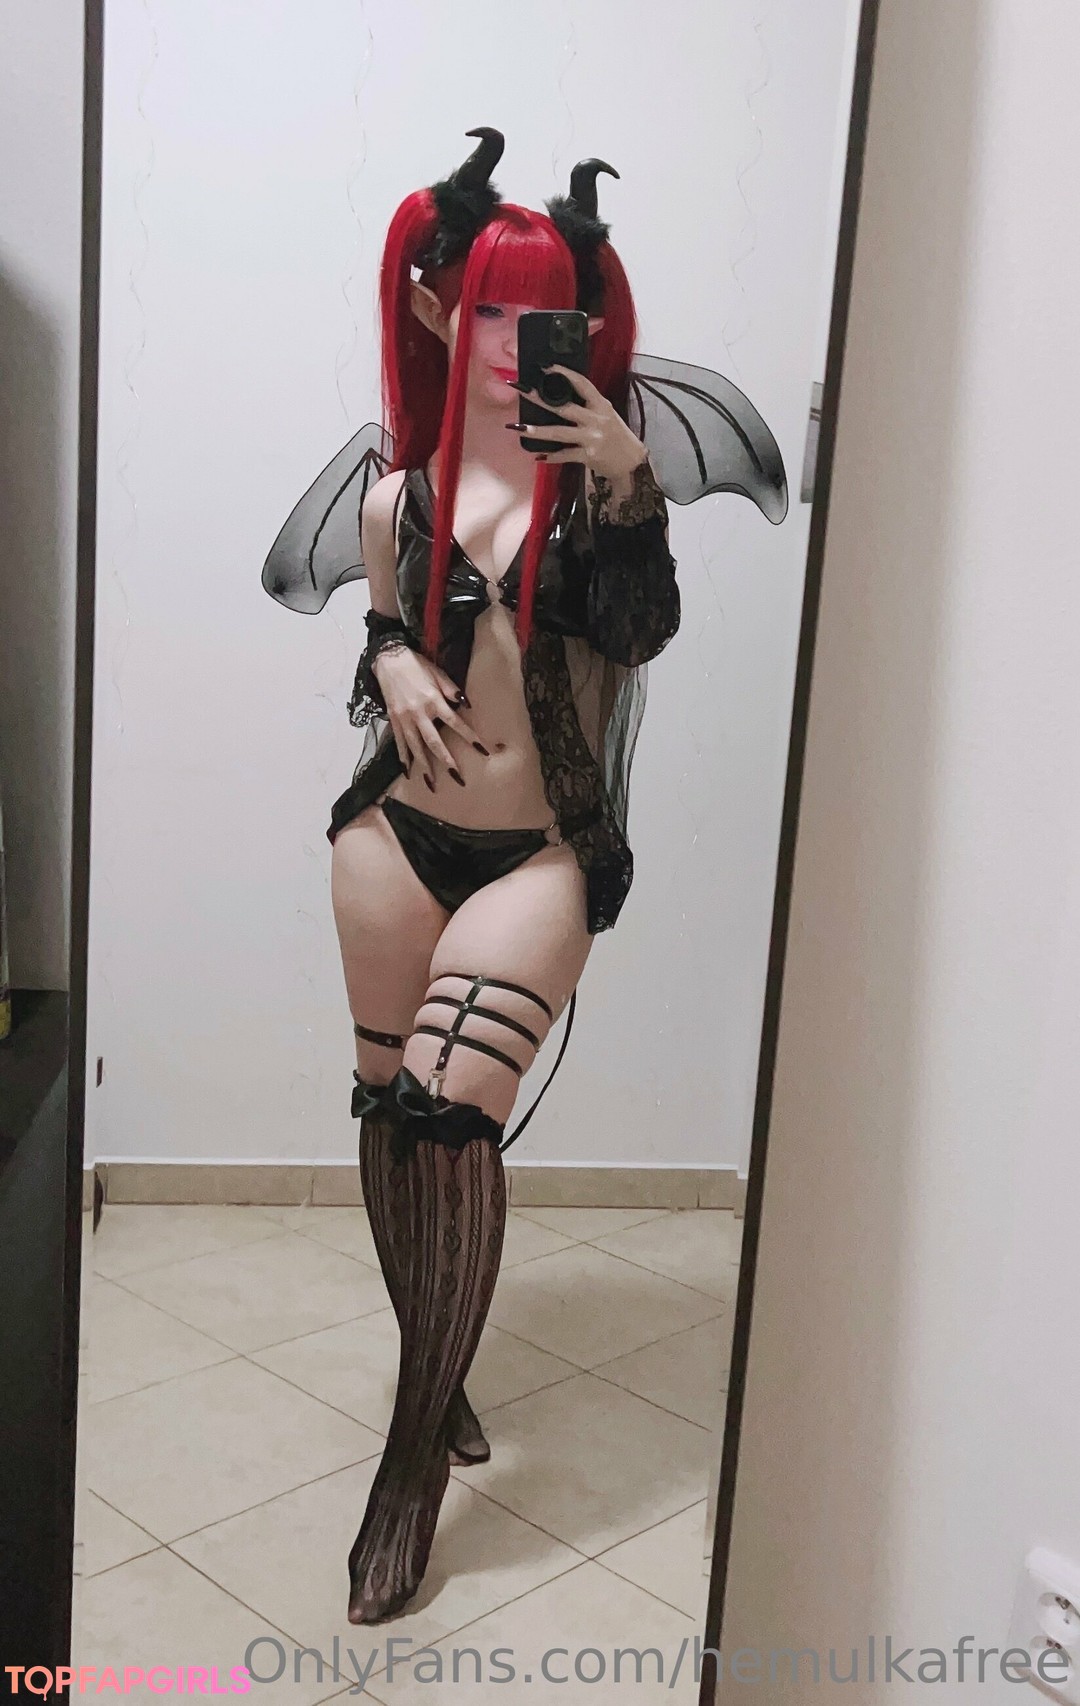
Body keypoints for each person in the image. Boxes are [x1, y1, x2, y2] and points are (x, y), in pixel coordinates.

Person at [262, 128, 785, 1625]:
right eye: (490, 307)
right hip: (390, 836)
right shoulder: (396, 502)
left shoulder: (602, 500)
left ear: (586, 325)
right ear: (441, 311)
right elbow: (384, 633)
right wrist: (385, 650)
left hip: (537, 852)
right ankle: (443, 1365)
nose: (513, 340)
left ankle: (408, 1469)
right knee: (386, 1105)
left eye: (545, 312)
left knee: (450, 1115)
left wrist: (631, 485)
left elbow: (641, 632)